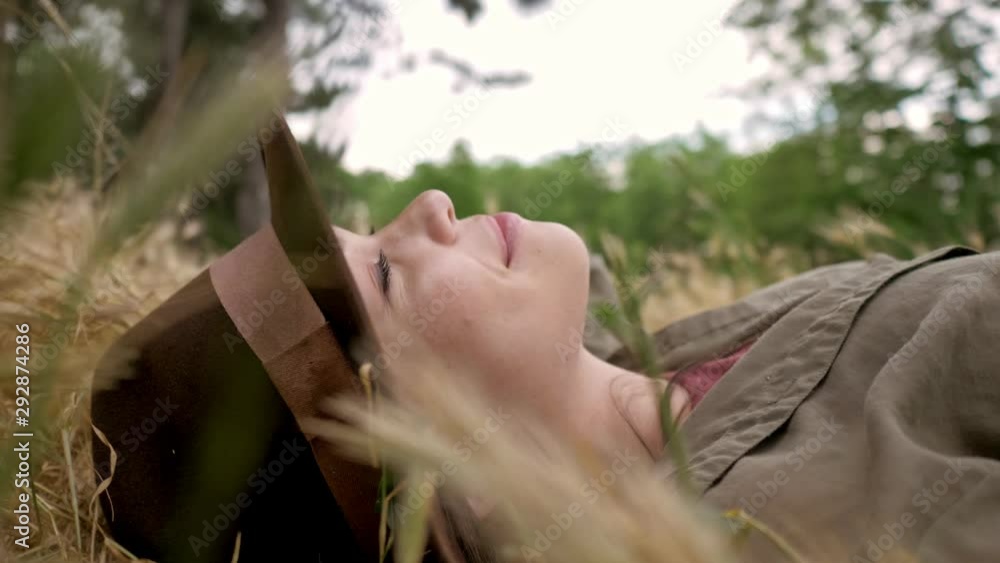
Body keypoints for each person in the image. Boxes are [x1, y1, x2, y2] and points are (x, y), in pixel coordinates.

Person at [90, 113, 1000, 563]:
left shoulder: (654, 359)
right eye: (385, 274)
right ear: (437, 467)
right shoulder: (787, 523)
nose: (432, 205)